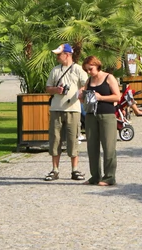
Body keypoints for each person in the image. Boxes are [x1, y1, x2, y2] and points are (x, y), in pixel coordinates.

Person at [44, 43, 88, 182]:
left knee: (72, 139)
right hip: (56, 109)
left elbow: (87, 84)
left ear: (67, 55)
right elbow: (47, 88)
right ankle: (55, 170)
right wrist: (56, 90)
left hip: (73, 110)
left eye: (59, 54)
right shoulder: (55, 70)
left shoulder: (78, 69)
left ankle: (74, 170)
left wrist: (81, 92)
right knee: (55, 139)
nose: (57, 57)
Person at [80, 56, 120, 186]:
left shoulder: (109, 78)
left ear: (97, 65)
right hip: (91, 115)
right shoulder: (89, 80)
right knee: (92, 147)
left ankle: (109, 177)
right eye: (87, 70)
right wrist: (81, 97)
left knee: (108, 147)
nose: (89, 72)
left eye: (90, 69)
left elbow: (117, 97)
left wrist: (101, 97)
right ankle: (95, 176)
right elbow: (84, 97)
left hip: (107, 115)